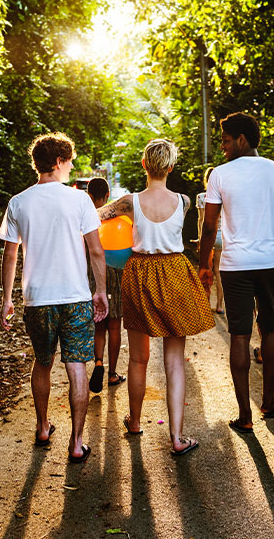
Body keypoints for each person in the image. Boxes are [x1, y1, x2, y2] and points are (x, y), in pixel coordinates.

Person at [98, 138, 214, 455]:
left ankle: (134, 422)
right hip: (176, 271)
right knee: (175, 361)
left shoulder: (129, 203)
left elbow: (95, 217)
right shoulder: (185, 201)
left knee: (138, 358)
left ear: (144, 164)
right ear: (172, 167)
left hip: (138, 273)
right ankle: (176, 438)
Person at [0, 132, 109, 464]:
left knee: (43, 362)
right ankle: (76, 444)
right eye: (70, 161)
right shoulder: (79, 201)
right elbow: (96, 251)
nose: (71, 166)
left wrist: (7, 298)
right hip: (75, 298)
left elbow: (10, 255)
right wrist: (100, 291)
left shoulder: (19, 202)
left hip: (37, 299)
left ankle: (43, 427)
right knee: (77, 367)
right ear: (59, 162)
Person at [199, 112, 274, 434]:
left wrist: (204, 264)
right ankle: (268, 402)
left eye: (226, 140)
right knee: (270, 329)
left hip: (235, 266)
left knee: (240, 336)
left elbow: (209, 225)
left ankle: (244, 416)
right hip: (270, 262)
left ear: (242, 139)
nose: (222, 146)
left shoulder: (220, 175)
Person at [86, 177, 126, 392]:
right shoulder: (114, 216)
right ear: (107, 195)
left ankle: (99, 362)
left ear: (89, 195)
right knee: (115, 324)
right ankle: (112, 374)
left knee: (99, 325)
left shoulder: (86, 217)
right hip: (116, 274)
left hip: (95, 276)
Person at [196, 167, 224, 313]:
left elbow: (202, 220)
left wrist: (200, 240)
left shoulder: (202, 197)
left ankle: (205, 303)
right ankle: (220, 306)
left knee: (206, 269)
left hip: (208, 237)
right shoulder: (225, 195)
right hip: (222, 236)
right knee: (219, 271)